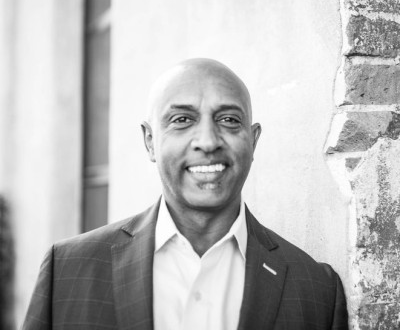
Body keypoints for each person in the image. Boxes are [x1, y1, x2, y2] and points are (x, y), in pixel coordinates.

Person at [23, 58, 348, 329]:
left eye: (228, 120)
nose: (208, 141)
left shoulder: (317, 290)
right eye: (182, 120)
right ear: (150, 141)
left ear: (253, 141)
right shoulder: (67, 270)